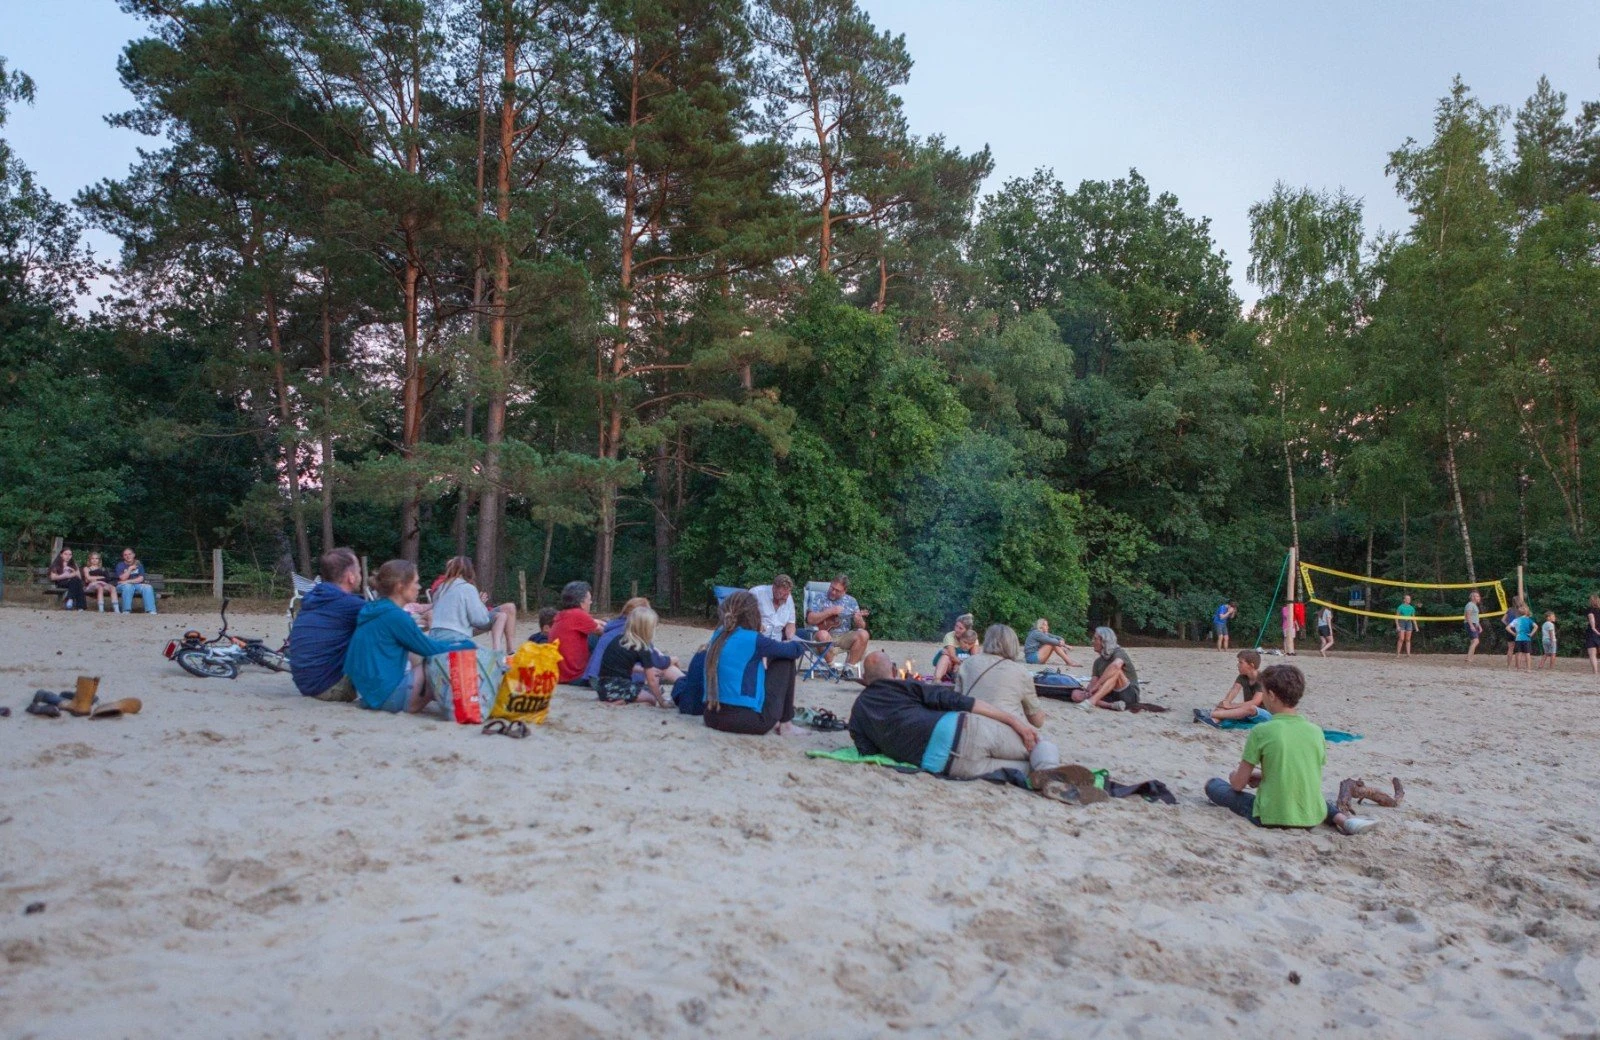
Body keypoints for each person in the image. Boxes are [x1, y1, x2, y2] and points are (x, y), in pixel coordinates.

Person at [1204, 664, 1377, 835]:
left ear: (1271, 695)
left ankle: (1342, 820)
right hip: (1311, 817)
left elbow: (1238, 784)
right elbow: (1300, 770)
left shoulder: (1262, 731)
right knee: (1310, 795)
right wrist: (1263, 775)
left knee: (1214, 785)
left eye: (1263, 692)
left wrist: (1235, 776)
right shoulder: (1315, 731)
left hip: (1270, 817)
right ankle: (1344, 820)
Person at [849, 651, 1066, 783]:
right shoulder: (907, 686)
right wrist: (1014, 721)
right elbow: (961, 702)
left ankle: (1047, 779)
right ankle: (1052, 774)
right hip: (961, 729)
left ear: (865, 679)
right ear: (894, 671)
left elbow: (868, 752)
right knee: (1038, 745)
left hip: (945, 765)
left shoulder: (858, 712)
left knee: (1026, 771)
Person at [344, 560, 472, 713]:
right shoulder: (395, 616)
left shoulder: (373, 610)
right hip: (387, 698)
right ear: (400, 586)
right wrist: (466, 645)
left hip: (368, 696)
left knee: (414, 653)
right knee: (437, 664)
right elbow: (431, 649)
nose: (419, 587)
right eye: (416, 582)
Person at [702, 590, 805, 736]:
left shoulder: (718, 634)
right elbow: (795, 650)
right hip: (746, 720)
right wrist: (789, 642)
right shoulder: (754, 639)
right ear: (754, 613)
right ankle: (786, 724)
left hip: (711, 716)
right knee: (784, 659)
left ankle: (781, 721)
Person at [290, 548, 367, 701]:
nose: (360, 575)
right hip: (330, 688)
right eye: (358, 570)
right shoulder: (349, 605)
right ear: (350, 577)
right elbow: (393, 622)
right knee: (374, 633)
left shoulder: (314, 599)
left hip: (305, 684)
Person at [957, 625, 1046, 729]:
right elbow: (1038, 721)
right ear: (1013, 645)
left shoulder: (967, 663)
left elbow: (956, 699)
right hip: (1000, 732)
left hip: (963, 729)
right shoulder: (1021, 672)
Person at [428, 556, 516, 652]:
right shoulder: (467, 588)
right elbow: (479, 620)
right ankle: (498, 654)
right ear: (469, 571)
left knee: (501, 615)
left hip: (434, 636)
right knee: (487, 658)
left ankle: (501, 652)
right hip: (456, 637)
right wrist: (480, 604)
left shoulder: (440, 588)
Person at [596, 606, 672, 706]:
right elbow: (652, 681)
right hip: (617, 688)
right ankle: (621, 701)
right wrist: (661, 701)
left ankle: (620, 699)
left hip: (602, 687)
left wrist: (642, 670)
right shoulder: (642, 648)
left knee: (645, 689)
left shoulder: (618, 639)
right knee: (651, 699)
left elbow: (618, 666)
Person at [804, 574, 871, 677]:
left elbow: (861, 626)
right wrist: (830, 611)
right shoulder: (819, 597)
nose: (833, 592)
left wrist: (859, 620)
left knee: (864, 634)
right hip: (824, 636)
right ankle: (832, 668)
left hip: (844, 637)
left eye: (837, 590)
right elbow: (810, 619)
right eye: (832, 588)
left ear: (844, 591)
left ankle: (848, 669)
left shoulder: (851, 601)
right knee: (822, 634)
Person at [1071, 627, 1140, 710]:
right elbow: (1093, 683)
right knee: (1075, 694)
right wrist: (1088, 691)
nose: (1092, 641)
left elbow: (1116, 666)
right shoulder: (1097, 662)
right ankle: (1111, 705)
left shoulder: (1119, 652)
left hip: (1129, 694)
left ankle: (1091, 702)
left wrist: (1098, 685)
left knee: (1116, 672)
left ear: (1104, 642)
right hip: (1110, 694)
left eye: (1095, 639)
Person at [548, 581, 604, 683]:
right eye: (589, 600)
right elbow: (603, 631)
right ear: (581, 602)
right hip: (575, 675)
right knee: (604, 639)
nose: (590, 603)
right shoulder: (579, 615)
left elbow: (592, 622)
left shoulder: (562, 615)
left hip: (561, 674)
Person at [1207, 650, 1268, 723]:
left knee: (1250, 708)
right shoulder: (1243, 676)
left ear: (1251, 665)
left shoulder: (1261, 679)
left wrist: (1231, 706)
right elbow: (1234, 689)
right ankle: (1213, 720)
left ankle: (1209, 714)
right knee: (1225, 707)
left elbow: (1255, 702)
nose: (1238, 665)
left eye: (1241, 662)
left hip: (1261, 713)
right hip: (1246, 711)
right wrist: (1225, 703)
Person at [750, 575, 797, 641]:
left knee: (797, 648)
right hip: (756, 639)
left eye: (787, 594)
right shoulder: (757, 593)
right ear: (774, 588)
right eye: (781, 594)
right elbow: (744, 616)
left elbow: (791, 624)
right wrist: (756, 624)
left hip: (776, 643)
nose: (785, 598)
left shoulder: (788, 598)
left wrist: (789, 639)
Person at [115, 547, 157, 614]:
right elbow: (122, 578)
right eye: (125, 555)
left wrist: (127, 581)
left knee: (148, 587)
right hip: (122, 586)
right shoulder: (120, 565)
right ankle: (126, 610)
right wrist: (130, 569)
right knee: (128, 586)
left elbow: (141, 578)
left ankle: (151, 610)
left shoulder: (139, 565)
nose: (128, 556)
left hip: (136, 584)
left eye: (129, 554)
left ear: (133, 555)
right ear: (123, 557)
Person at [1509, 605, 1536, 672]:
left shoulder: (1516, 620)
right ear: (1526, 612)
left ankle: (1518, 668)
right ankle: (1528, 669)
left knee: (1518, 653)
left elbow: (1507, 627)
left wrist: (1514, 634)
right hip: (1527, 638)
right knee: (1527, 654)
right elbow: (1536, 626)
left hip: (1518, 639)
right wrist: (1531, 634)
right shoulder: (1529, 620)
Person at [1464, 590, 1483, 663]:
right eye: (1475, 596)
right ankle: (1468, 658)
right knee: (1476, 641)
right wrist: (1471, 625)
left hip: (1474, 624)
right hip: (1470, 624)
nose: (1477, 597)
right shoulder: (1470, 604)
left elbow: (1475, 617)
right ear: (1472, 597)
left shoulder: (1474, 605)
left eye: (1478, 596)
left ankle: (1470, 658)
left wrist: (1479, 626)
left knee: (1473, 641)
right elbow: (1468, 615)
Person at [1587, 595, 1600, 676]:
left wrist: (1596, 631)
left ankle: (1595, 672)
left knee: (1592, 654)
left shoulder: (1590, 611)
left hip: (1592, 634)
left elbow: (1593, 625)